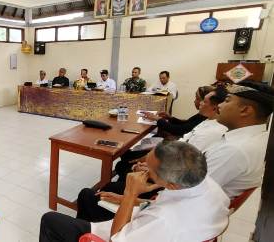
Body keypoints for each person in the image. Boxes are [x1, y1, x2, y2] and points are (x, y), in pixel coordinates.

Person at [76, 86, 229, 223]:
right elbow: (184, 129)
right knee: (126, 162)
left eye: (204, 101)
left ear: (216, 107)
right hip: (163, 175)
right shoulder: (206, 122)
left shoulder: (212, 133)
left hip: (159, 181)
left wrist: (131, 192)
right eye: (199, 99)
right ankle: (124, 178)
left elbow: (118, 235)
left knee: (109, 178)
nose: (200, 103)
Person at [39, 141, 229, 242]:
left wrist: (130, 194)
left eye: (150, 172)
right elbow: (160, 203)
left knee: (51, 220)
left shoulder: (164, 220)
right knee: (89, 196)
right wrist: (124, 199)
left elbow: (116, 239)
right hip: (145, 224)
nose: (143, 168)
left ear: (171, 185)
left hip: (127, 233)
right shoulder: (209, 185)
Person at [203, 80, 273, 198]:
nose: (219, 105)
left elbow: (190, 190)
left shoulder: (234, 149)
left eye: (227, 100)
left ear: (245, 110)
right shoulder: (260, 138)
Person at [143, 86, 212, 139]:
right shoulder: (201, 115)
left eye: (197, 98)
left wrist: (157, 119)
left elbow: (178, 130)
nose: (194, 101)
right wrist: (170, 118)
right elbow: (186, 123)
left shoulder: (204, 118)